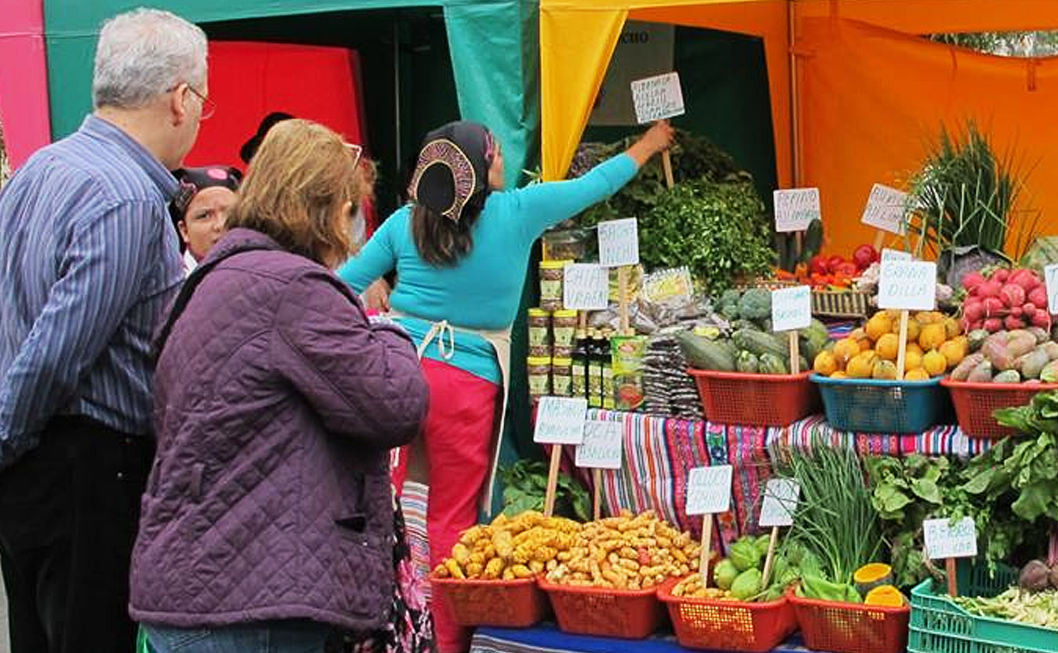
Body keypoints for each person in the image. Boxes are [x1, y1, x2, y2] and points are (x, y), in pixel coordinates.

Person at [0, 9, 208, 653]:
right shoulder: (126, 197)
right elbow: (55, 350)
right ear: (180, 99)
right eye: (202, 99)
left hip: (35, 463)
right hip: (87, 469)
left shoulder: (39, 170)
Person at [339, 119, 675, 652]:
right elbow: (595, 186)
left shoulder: (406, 222)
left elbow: (341, 286)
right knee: (452, 515)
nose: (501, 161)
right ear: (476, 170)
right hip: (465, 384)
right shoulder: (518, 211)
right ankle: (446, 641)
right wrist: (648, 145)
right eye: (494, 154)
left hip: (397, 370)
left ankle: (384, 632)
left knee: (394, 505)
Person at [132, 118, 429, 653]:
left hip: (203, 581)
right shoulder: (293, 290)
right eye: (351, 210)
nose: (354, 228)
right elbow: (396, 404)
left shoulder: (217, 278)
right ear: (327, 210)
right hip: (249, 598)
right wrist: (390, 332)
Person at [172, 165, 242, 269]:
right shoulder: (169, 281)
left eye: (230, 213)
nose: (220, 224)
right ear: (184, 230)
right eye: (204, 216)